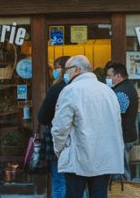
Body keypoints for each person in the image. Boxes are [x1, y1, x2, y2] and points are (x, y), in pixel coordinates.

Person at [52, 55, 124, 198]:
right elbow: (117, 125)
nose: (64, 74)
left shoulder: (70, 90)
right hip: (103, 156)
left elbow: (60, 128)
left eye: (67, 70)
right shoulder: (108, 91)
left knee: (74, 194)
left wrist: (59, 151)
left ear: (77, 69)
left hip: (77, 157)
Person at [37, 56, 71, 198]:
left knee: (58, 180)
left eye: (56, 68)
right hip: (75, 139)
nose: (54, 71)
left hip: (56, 137)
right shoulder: (75, 87)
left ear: (64, 69)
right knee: (76, 182)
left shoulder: (57, 88)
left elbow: (43, 116)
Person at [105, 62, 139, 180]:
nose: (107, 78)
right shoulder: (127, 87)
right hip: (125, 135)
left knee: (121, 172)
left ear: (118, 76)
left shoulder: (122, 92)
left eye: (109, 76)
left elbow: (114, 115)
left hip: (122, 137)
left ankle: (124, 193)